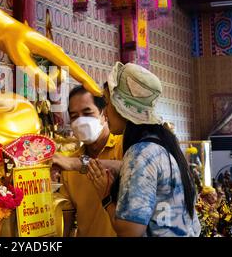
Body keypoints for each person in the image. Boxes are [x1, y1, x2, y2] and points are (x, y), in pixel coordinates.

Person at [87, 62, 200, 236]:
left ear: (121, 108)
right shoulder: (160, 145)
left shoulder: (140, 153)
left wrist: (106, 196)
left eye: (107, 103)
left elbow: (130, 231)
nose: (104, 113)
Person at [52, 85, 123, 236]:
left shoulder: (124, 146)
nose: (80, 121)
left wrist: (77, 164)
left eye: (87, 113)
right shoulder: (69, 165)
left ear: (104, 114)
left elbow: (133, 168)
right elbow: (66, 219)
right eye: (74, 116)